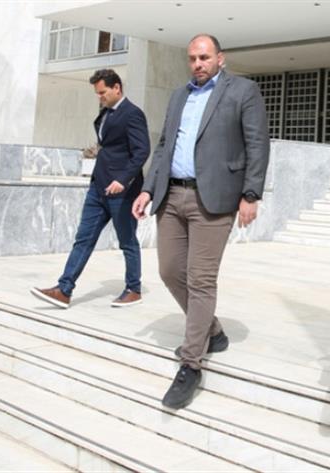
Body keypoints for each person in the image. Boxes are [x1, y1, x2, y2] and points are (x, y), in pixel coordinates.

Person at [130, 33, 270, 410]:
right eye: (192, 58)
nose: (198, 64)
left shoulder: (243, 91)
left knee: (201, 278)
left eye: (204, 57)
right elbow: (164, 146)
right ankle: (214, 331)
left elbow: (257, 144)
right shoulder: (179, 96)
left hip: (215, 199)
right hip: (171, 195)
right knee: (169, 271)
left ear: (220, 58)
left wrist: (251, 194)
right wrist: (147, 189)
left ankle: (191, 364)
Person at [31, 69, 149, 310]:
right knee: (83, 239)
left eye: (103, 92)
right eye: (97, 93)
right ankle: (64, 289)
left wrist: (123, 179)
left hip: (122, 192)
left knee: (127, 241)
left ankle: (133, 289)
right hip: (98, 188)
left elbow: (142, 151)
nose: (100, 97)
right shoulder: (105, 113)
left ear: (117, 88)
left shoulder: (133, 114)